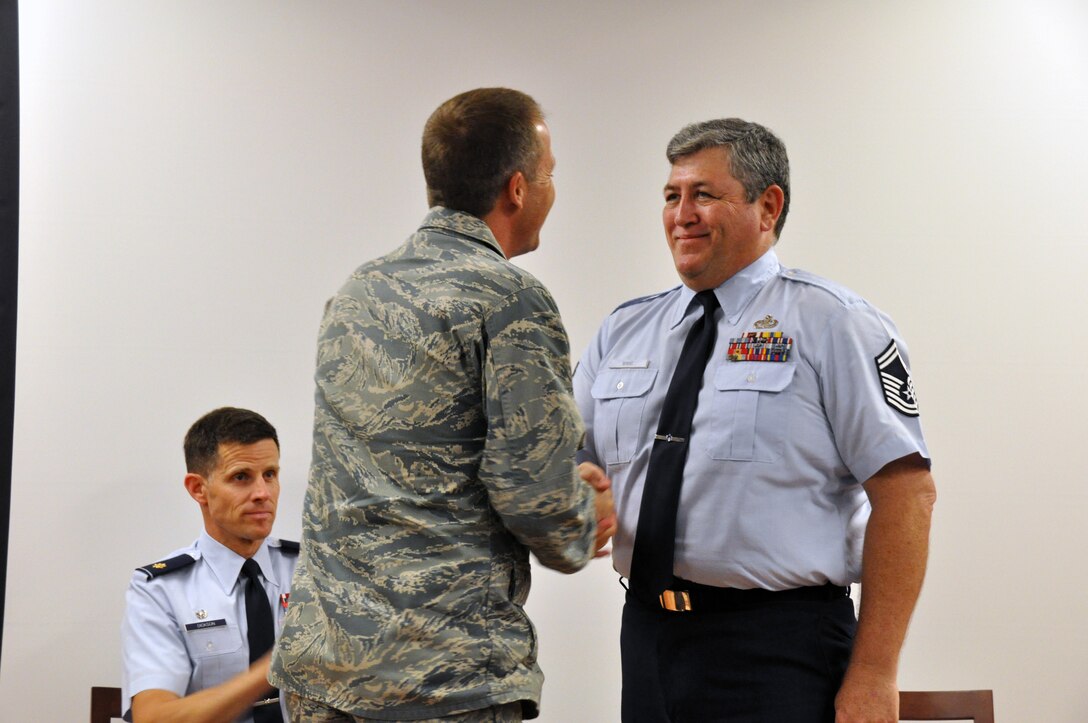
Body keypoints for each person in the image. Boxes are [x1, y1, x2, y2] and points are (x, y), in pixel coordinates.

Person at [573, 118, 937, 722]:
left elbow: (907, 495)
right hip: (646, 637)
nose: (681, 214)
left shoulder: (834, 323)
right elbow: (575, 459)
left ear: (768, 207)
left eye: (704, 195)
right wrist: (580, 498)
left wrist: (875, 673)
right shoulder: (624, 329)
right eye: (672, 196)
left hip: (777, 645)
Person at [270, 87, 615, 723]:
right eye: (549, 176)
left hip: (323, 668)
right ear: (517, 189)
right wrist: (584, 511)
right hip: (439, 681)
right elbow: (535, 499)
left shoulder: (358, 290)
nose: (551, 191)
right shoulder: (511, 300)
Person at [121, 406, 297, 723]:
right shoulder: (162, 590)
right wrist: (278, 666)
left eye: (270, 475)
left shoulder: (311, 572)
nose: (262, 493)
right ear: (198, 488)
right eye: (241, 477)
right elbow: (154, 717)